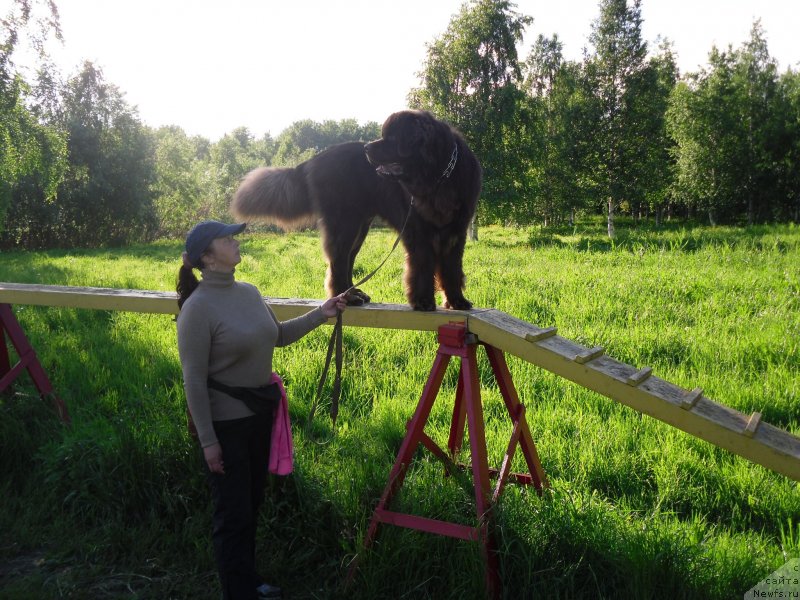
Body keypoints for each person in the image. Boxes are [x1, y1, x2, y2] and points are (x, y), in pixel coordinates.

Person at [176, 220, 347, 600]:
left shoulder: (250, 292)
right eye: (227, 239)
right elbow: (193, 382)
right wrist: (208, 442)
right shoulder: (196, 310)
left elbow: (279, 336)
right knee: (232, 513)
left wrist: (322, 312)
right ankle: (237, 591)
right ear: (207, 257)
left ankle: (248, 581)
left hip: (259, 417)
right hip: (226, 427)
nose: (236, 242)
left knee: (251, 505)